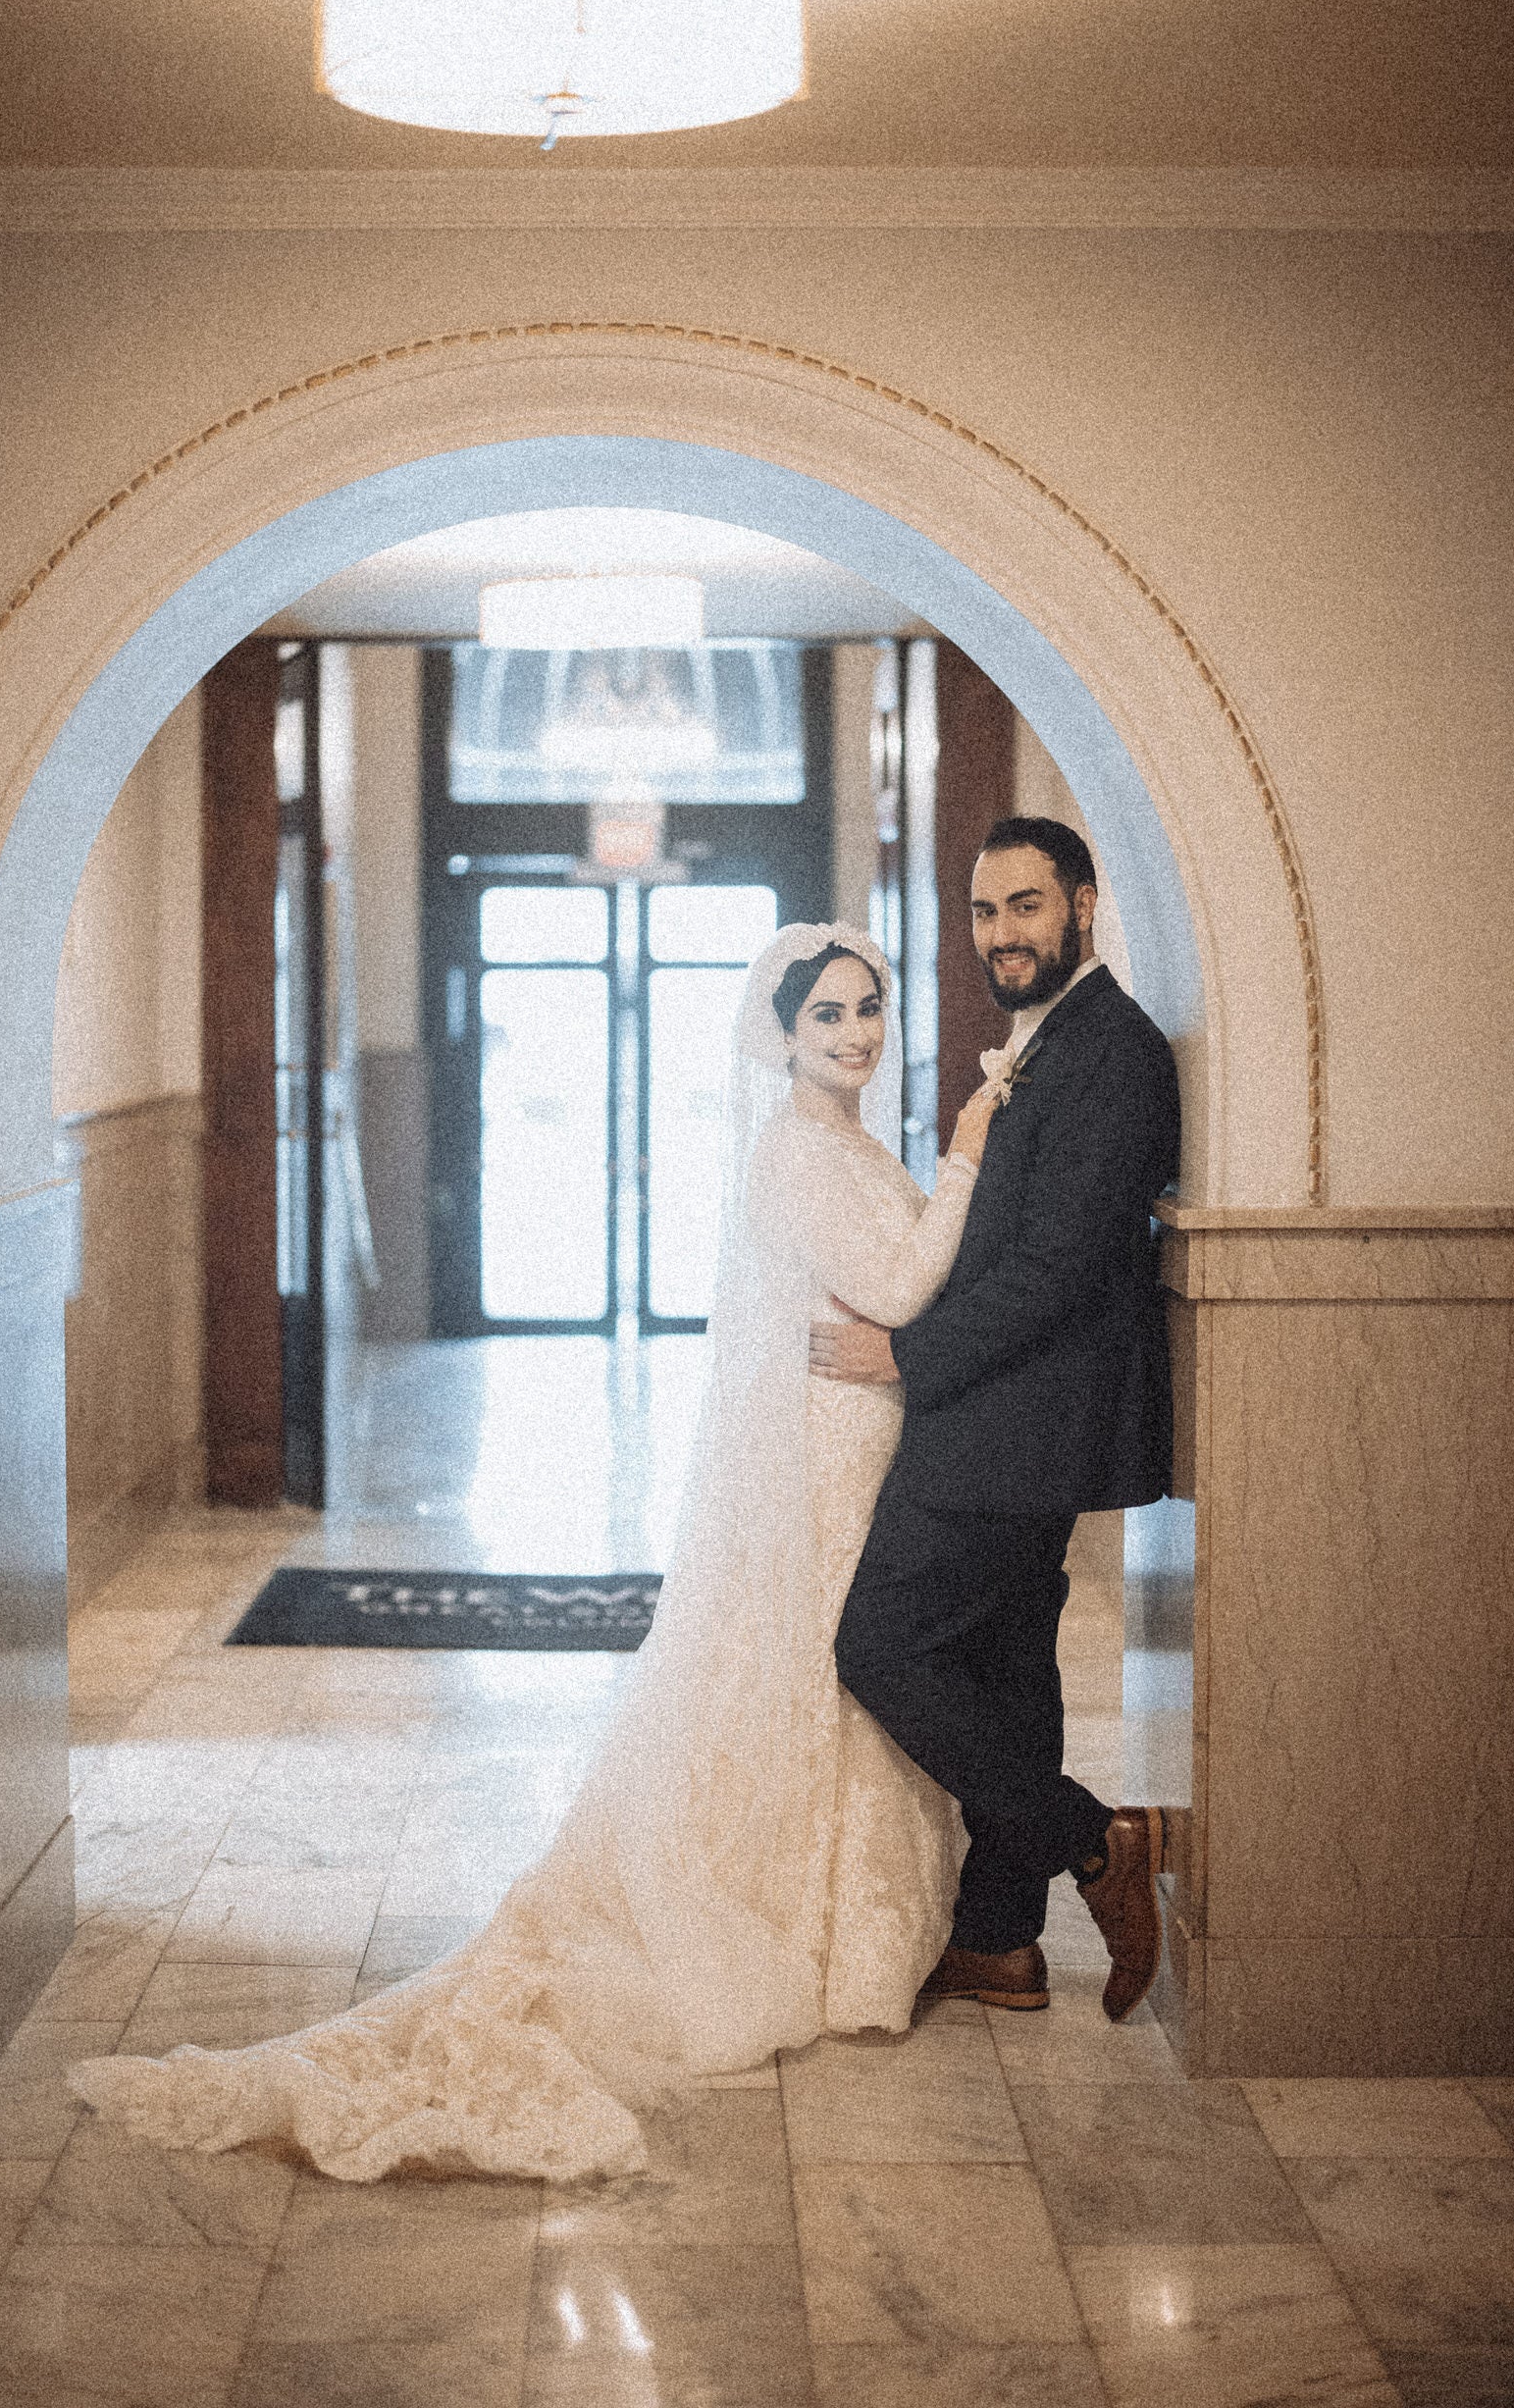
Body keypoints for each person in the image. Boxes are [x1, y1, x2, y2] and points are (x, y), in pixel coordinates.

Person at [71, 923, 1004, 2181]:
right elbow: (896, 1286)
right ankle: (798, 1924)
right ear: (781, 1034)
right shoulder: (796, 1155)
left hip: (860, 1431)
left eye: (868, 1009)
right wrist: (963, 1159)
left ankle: (850, 1926)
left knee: (838, 1671)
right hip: (826, 1450)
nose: (854, 1032)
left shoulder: (838, 1142)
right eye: (828, 1015)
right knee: (820, 1659)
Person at [814, 816, 1180, 2022]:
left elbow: (1058, 1268)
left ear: (1081, 904)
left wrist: (901, 1355)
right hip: (1016, 1413)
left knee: (877, 1642)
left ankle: (1089, 1840)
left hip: (1014, 1423)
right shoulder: (1048, 1039)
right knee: (1007, 1665)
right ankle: (999, 1940)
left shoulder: (1113, 1050)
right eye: (983, 911)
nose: (1002, 933)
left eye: (1025, 906)